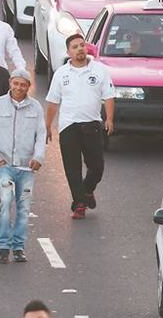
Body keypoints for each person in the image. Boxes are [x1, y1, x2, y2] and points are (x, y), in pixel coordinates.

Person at [45, 33, 115, 220]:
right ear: (69, 52)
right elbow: (53, 102)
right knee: (72, 168)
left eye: (82, 45)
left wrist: (109, 118)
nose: (79, 49)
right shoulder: (61, 74)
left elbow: (108, 95)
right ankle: (79, 204)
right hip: (68, 126)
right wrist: (47, 126)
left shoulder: (99, 70)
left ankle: (87, 190)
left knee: (97, 167)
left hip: (92, 124)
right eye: (74, 47)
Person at [0, 69, 46, 264]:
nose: (19, 87)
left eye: (23, 84)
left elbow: (41, 135)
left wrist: (38, 157)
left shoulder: (36, 108)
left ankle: (18, 247)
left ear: (28, 86)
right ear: (10, 82)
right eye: (16, 83)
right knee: (4, 204)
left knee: (23, 208)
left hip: (26, 169)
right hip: (4, 166)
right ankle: (4, 246)